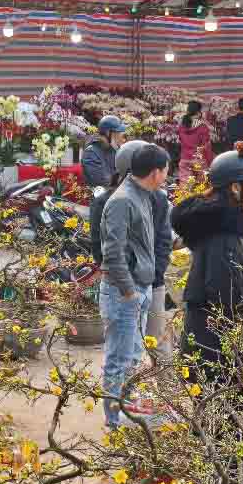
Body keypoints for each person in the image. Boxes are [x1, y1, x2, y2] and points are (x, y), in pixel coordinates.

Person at [171, 142, 243, 484]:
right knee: (218, 446)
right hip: (218, 360)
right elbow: (231, 310)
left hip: (229, 360)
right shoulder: (225, 241)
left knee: (231, 444)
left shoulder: (233, 231)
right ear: (233, 189)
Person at [99, 144, 170, 430]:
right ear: (155, 172)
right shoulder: (123, 200)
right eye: (166, 170)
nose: (167, 175)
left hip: (139, 288)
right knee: (119, 360)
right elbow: (112, 253)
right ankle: (114, 422)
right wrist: (129, 292)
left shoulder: (143, 195)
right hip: (123, 292)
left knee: (131, 359)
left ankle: (124, 415)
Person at [90, 141, 173, 359]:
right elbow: (103, 249)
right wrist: (129, 286)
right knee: (124, 355)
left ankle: (165, 392)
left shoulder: (157, 198)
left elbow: (163, 241)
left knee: (159, 346)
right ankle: (126, 392)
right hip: (126, 287)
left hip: (152, 283)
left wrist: (154, 275)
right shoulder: (111, 201)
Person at [82, 115, 127, 188]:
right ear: (108, 133)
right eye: (118, 132)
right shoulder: (91, 152)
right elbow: (103, 182)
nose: (121, 137)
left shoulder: (113, 149)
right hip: (101, 197)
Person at [178, 101, 215, 183]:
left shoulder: (181, 126)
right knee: (201, 189)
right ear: (198, 112)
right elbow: (206, 146)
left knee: (185, 189)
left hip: (185, 159)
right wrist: (210, 162)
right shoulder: (202, 127)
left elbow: (180, 142)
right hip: (198, 161)